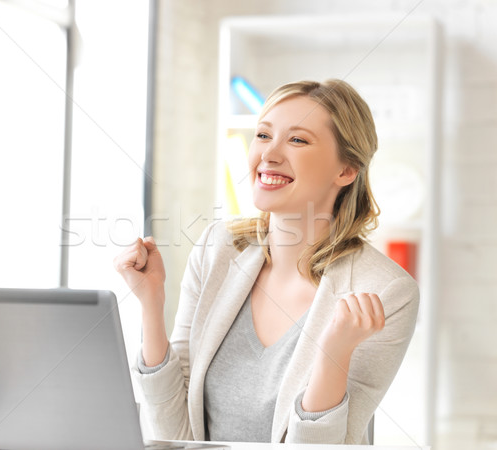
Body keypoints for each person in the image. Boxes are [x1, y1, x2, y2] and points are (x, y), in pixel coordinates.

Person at [114, 79, 419, 445]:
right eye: (262, 135)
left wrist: (332, 355)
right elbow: (173, 436)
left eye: (297, 140)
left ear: (346, 170)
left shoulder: (386, 292)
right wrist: (151, 304)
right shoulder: (218, 248)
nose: (268, 155)